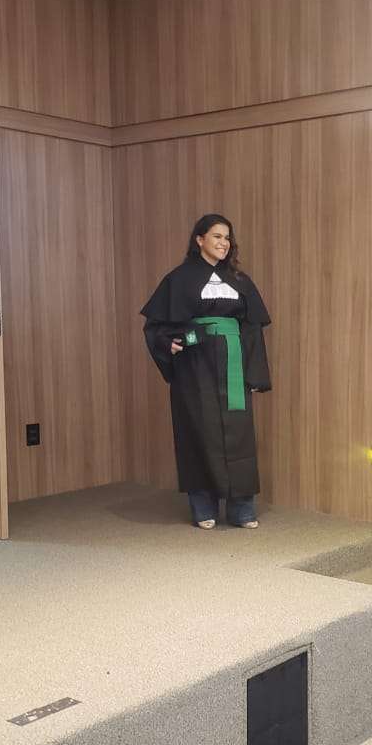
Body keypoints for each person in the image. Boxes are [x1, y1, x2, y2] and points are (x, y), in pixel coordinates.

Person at [141, 213, 271, 529]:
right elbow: (156, 327)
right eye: (216, 236)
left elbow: (252, 329)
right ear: (199, 239)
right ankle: (203, 508)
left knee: (238, 434)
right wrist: (169, 344)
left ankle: (241, 509)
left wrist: (255, 374)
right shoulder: (178, 279)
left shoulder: (240, 281)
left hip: (233, 361)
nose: (223, 243)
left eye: (227, 237)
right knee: (199, 430)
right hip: (194, 364)